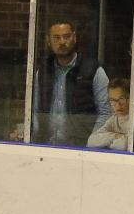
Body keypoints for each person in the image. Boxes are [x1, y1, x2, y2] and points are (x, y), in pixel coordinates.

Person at [33, 17, 110, 147]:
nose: (62, 42)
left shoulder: (93, 70)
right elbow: (35, 111)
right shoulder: (43, 72)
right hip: (47, 146)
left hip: (81, 147)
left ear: (74, 37)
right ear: (48, 41)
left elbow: (106, 112)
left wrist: (92, 143)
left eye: (66, 36)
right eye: (56, 38)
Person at [86, 78, 132, 151]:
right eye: (113, 100)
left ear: (131, 98)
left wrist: (106, 143)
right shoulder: (113, 119)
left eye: (121, 99)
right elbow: (91, 141)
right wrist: (115, 136)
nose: (118, 105)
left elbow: (124, 145)